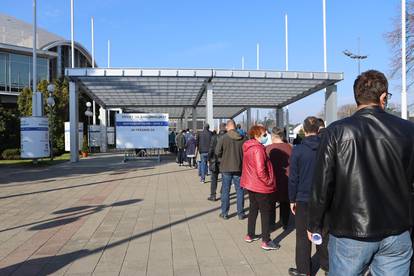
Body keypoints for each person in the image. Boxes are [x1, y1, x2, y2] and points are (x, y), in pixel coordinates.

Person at [308, 70, 414, 275]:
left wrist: (314, 224)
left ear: (357, 97)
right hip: (397, 229)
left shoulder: (336, 131)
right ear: (383, 97)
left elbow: (322, 184)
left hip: (349, 230)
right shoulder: (408, 130)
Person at [288, 116, 327, 276]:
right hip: (323, 199)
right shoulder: (327, 148)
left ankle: (304, 271)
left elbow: (293, 178)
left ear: (304, 130)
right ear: (319, 130)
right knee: (323, 233)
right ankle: (328, 267)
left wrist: (292, 199)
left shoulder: (297, 150)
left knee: (302, 236)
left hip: (303, 199)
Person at [241, 125, 280, 250]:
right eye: (264, 134)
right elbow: (260, 170)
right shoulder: (258, 149)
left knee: (253, 209)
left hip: (250, 183)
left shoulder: (248, 146)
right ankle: (266, 240)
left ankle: (250, 234)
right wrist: (268, 181)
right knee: (265, 212)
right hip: (260, 185)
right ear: (256, 135)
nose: (266, 136)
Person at [215, 119, 246, 220]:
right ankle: (240, 213)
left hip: (226, 167)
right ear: (235, 127)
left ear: (228, 127)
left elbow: (217, 152)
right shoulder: (243, 138)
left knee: (225, 190)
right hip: (238, 167)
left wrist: (222, 159)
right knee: (240, 191)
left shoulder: (223, 138)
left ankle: (224, 213)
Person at [266, 127, 292, 230]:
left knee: (271, 203)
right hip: (287, 180)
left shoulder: (268, 148)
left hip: (272, 180)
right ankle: (285, 223)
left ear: (273, 137)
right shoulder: (290, 148)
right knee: (285, 202)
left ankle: (271, 224)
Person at [207, 123, 226, 201]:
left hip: (214, 161)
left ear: (219, 129)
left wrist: (209, 159)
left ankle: (213, 195)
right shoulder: (228, 138)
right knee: (225, 179)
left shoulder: (214, 137)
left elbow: (211, 149)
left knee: (214, 179)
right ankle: (223, 193)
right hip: (225, 162)